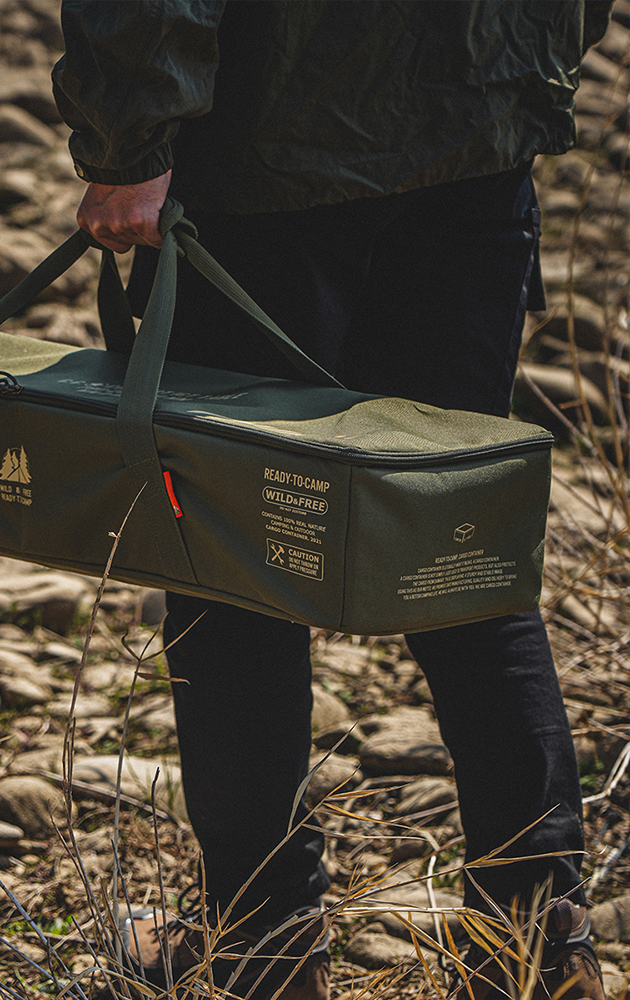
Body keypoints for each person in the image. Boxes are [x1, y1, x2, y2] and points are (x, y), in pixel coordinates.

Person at [52, 4, 613, 999]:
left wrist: (128, 139)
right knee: (459, 538)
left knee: (231, 555)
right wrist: (524, 71)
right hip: (476, 136)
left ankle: (265, 945)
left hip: (267, 158)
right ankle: (538, 942)